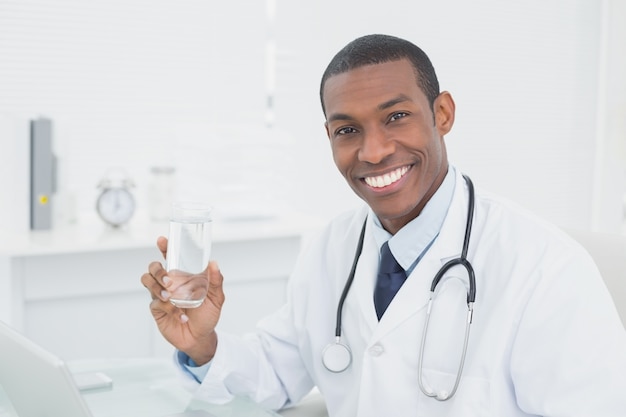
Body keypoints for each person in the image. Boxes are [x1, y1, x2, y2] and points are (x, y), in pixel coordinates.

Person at [141, 34, 626, 416]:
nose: (373, 152)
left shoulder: (545, 268)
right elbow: (276, 372)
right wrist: (202, 344)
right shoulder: (331, 247)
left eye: (396, 116)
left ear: (443, 114)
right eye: (347, 130)